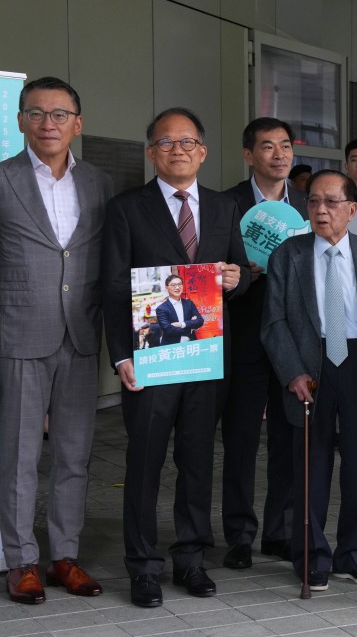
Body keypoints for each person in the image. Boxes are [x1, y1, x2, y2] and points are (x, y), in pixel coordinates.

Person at [102, 107, 250, 608]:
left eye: (187, 142)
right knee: (145, 461)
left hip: (206, 359)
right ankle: (143, 565)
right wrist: (120, 355)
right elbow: (112, 287)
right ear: (151, 152)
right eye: (166, 142)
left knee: (197, 460)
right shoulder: (126, 208)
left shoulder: (225, 207)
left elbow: (239, 274)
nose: (178, 150)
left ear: (202, 152)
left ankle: (190, 558)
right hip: (151, 362)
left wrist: (236, 279)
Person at [261, 169, 357, 591]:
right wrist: (292, 372)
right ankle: (312, 556)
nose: (321, 210)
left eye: (331, 202)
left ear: (352, 210)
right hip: (311, 367)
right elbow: (273, 323)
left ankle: (353, 555)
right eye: (313, 202)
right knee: (311, 467)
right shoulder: (288, 255)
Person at [0, 76, 111, 604]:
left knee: (73, 455)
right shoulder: (3, 179)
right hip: (19, 333)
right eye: (37, 113)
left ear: (78, 124)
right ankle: (20, 560)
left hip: (81, 334)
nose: (49, 123)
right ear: (21, 121)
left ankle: (64, 556)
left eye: (60, 114)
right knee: (18, 456)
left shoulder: (98, 182)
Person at [221, 117, 308, 571]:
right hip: (244, 336)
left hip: (293, 340)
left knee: (289, 437)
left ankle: (281, 532)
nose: (280, 155)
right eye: (268, 146)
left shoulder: (309, 205)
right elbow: (210, 270)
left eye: (286, 146)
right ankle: (238, 535)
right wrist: (238, 277)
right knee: (241, 438)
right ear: (248, 154)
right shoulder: (226, 205)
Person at [155, 275, 204, 344]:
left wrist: (181, 324)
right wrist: (189, 329)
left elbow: (200, 321)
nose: (177, 287)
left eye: (179, 284)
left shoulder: (189, 303)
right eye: (173, 285)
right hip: (172, 346)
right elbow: (168, 329)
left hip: (191, 344)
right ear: (166, 288)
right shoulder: (161, 308)